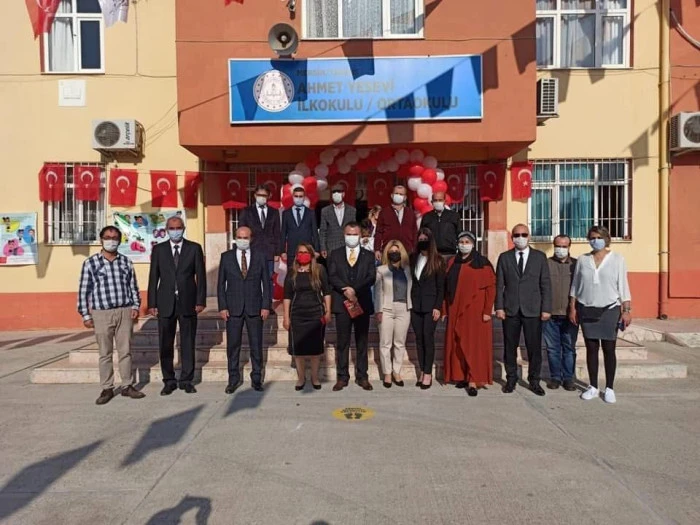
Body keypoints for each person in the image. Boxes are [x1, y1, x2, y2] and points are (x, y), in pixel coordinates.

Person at [78, 226, 145, 405]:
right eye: (107, 237)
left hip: (124, 311)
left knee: (125, 351)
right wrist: (85, 315)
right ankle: (107, 388)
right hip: (101, 313)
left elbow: (133, 286)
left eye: (115, 238)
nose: (111, 241)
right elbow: (84, 291)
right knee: (105, 353)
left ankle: (127, 385)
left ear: (120, 241)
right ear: (101, 239)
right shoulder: (91, 263)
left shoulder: (126, 262)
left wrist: (135, 306)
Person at [570, 226, 631, 404]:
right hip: (586, 308)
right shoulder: (583, 260)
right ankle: (593, 386)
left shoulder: (617, 259)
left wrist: (626, 310)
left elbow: (623, 286)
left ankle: (609, 387)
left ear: (606, 238)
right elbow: (575, 285)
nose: (595, 240)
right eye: (592, 237)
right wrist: (572, 307)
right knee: (591, 348)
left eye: (598, 237)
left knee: (609, 349)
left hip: (610, 309)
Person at [147, 216, 206, 396]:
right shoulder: (159, 250)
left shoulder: (194, 248)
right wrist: (152, 303)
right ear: (166, 230)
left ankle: (187, 380)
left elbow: (201, 276)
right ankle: (169, 380)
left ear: (183, 228)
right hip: (165, 303)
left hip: (188, 302)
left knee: (188, 342)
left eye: (178, 228)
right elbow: (153, 277)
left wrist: (200, 301)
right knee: (165, 343)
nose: (175, 231)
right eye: (172, 228)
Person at [495, 224, 552, 396]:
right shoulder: (504, 257)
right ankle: (511, 379)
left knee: (534, 348)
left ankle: (534, 381)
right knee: (509, 347)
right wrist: (499, 307)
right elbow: (499, 285)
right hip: (510, 309)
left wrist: (546, 308)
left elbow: (545, 284)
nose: (520, 238)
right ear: (512, 237)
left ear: (529, 236)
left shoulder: (539, 257)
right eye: (517, 235)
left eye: (523, 234)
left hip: (533, 309)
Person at [217, 226, 271, 393]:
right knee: (233, 346)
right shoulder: (226, 257)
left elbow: (266, 283)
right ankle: (233, 379)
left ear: (251, 239)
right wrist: (223, 307)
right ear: (235, 238)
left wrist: (265, 306)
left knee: (256, 345)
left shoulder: (260, 256)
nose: (242, 240)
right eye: (239, 237)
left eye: (245, 237)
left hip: (255, 307)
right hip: (233, 308)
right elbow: (220, 284)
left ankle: (257, 379)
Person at [443, 231, 496, 396]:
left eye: (467, 242)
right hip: (455, 308)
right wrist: (444, 309)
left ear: (473, 244)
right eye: (461, 242)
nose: (464, 245)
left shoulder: (482, 263)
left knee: (473, 345)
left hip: (475, 311)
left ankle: (473, 379)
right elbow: (446, 288)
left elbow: (491, 288)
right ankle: (461, 375)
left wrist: (487, 310)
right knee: (457, 344)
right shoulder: (452, 262)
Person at [328, 222, 376, 391]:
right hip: (342, 304)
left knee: (362, 341)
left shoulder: (368, 256)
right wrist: (346, 290)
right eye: (349, 234)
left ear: (360, 235)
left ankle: (362, 376)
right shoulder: (335, 254)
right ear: (344, 235)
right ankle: (342, 377)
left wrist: (355, 290)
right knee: (342, 342)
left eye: (355, 234)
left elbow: (371, 277)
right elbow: (332, 275)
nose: (352, 237)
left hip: (361, 302)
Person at [283, 243, 332, 391]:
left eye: (305, 252)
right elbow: (287, 296)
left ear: (311, 255)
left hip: (316, 313)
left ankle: (315, 377)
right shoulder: (291, 272)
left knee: (315, 349)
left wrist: (328, 311)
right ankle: (301, 378)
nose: (303, 255)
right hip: (297, 314)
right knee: (299, 350)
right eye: (300, 252)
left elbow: (327, 292)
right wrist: (286, 317)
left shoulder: (320, 270)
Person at [410, 228, 445, 389]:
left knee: (427, 338)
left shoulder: (438, 260)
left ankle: (428, 373)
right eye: (420, 239)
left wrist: (438, 307)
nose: (423, 242)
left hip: (431, 306)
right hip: (415, 305)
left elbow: (441, 286)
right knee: (419, 339)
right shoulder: (413, 258)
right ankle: (422, 370)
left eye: (425, 239)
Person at [374, 240, 412, 388]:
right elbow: (378, 292)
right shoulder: (381, 270)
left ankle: (397, 371)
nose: (394, 253)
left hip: (404, 308)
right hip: (386, 309)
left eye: (397, 251)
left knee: (399, 343)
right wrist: (378, 310)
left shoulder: (407, 270)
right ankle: (387, 373)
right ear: (387, 253)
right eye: (391, 251)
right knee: (385, 343)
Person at [544, 235, 579, 391]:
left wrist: (576, 309)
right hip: (550, 315)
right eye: (558, 246)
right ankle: (555, 378)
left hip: (570, 315)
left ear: (569, 247)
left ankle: (569, 378)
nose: (561, 249)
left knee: (569, 348)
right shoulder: (546, 264)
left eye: (564, 246)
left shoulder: (576, 265)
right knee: (552, 349)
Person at [238, 184, 280, 282]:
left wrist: (277, 252)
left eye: (264, 195)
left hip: (269, 252)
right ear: (255, 195)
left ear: (268, 196)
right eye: (259, 195)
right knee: (253, 279)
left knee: (268, 279)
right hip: (252, 251)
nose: (261, 197)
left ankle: (267, 293)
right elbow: (241, 230)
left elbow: (277, 232)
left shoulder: (274, 212)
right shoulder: (246, 211)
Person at [374, 185, 417, 259]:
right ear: (392, 195)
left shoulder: (410, 213)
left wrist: (415, 248)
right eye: (396, 193)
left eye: (401, 194)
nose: (398, 196)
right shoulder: (384, 212)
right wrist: (377, 249)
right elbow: (378, 232)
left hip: (407, 251)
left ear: (405, 197)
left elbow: (414, 232)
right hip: (389, 250)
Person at [279, 186, 320, 265]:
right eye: (296, 196)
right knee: (292, 272)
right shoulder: (286, 213)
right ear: (293, 197)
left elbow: (315, 232)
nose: (298, 198)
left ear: (304, 197)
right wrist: (282, 251)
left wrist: (317, 250)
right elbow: (283, 233)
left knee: (307, 272)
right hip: (291, 252)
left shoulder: (311, 213)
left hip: (307, 251)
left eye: (300, 196)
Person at [320, 185, 357, 259]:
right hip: (331, 248)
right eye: (334, 192)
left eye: (338, 191)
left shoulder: (352, 210)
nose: (336, 194)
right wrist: (323, 247)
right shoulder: (325, 211)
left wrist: (355, 247)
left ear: (343, 194)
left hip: (347, 247)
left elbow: (354, 230)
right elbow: (323, 231)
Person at [419, 191, 460, 258]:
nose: (438, 202)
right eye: (435, 200)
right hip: (431, 255)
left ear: (444, 201)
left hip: (450, 253)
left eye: (440, 200)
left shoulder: (454, 216)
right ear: (432, 202)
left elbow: (459, 234)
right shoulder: (427, 216)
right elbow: (422, 235)